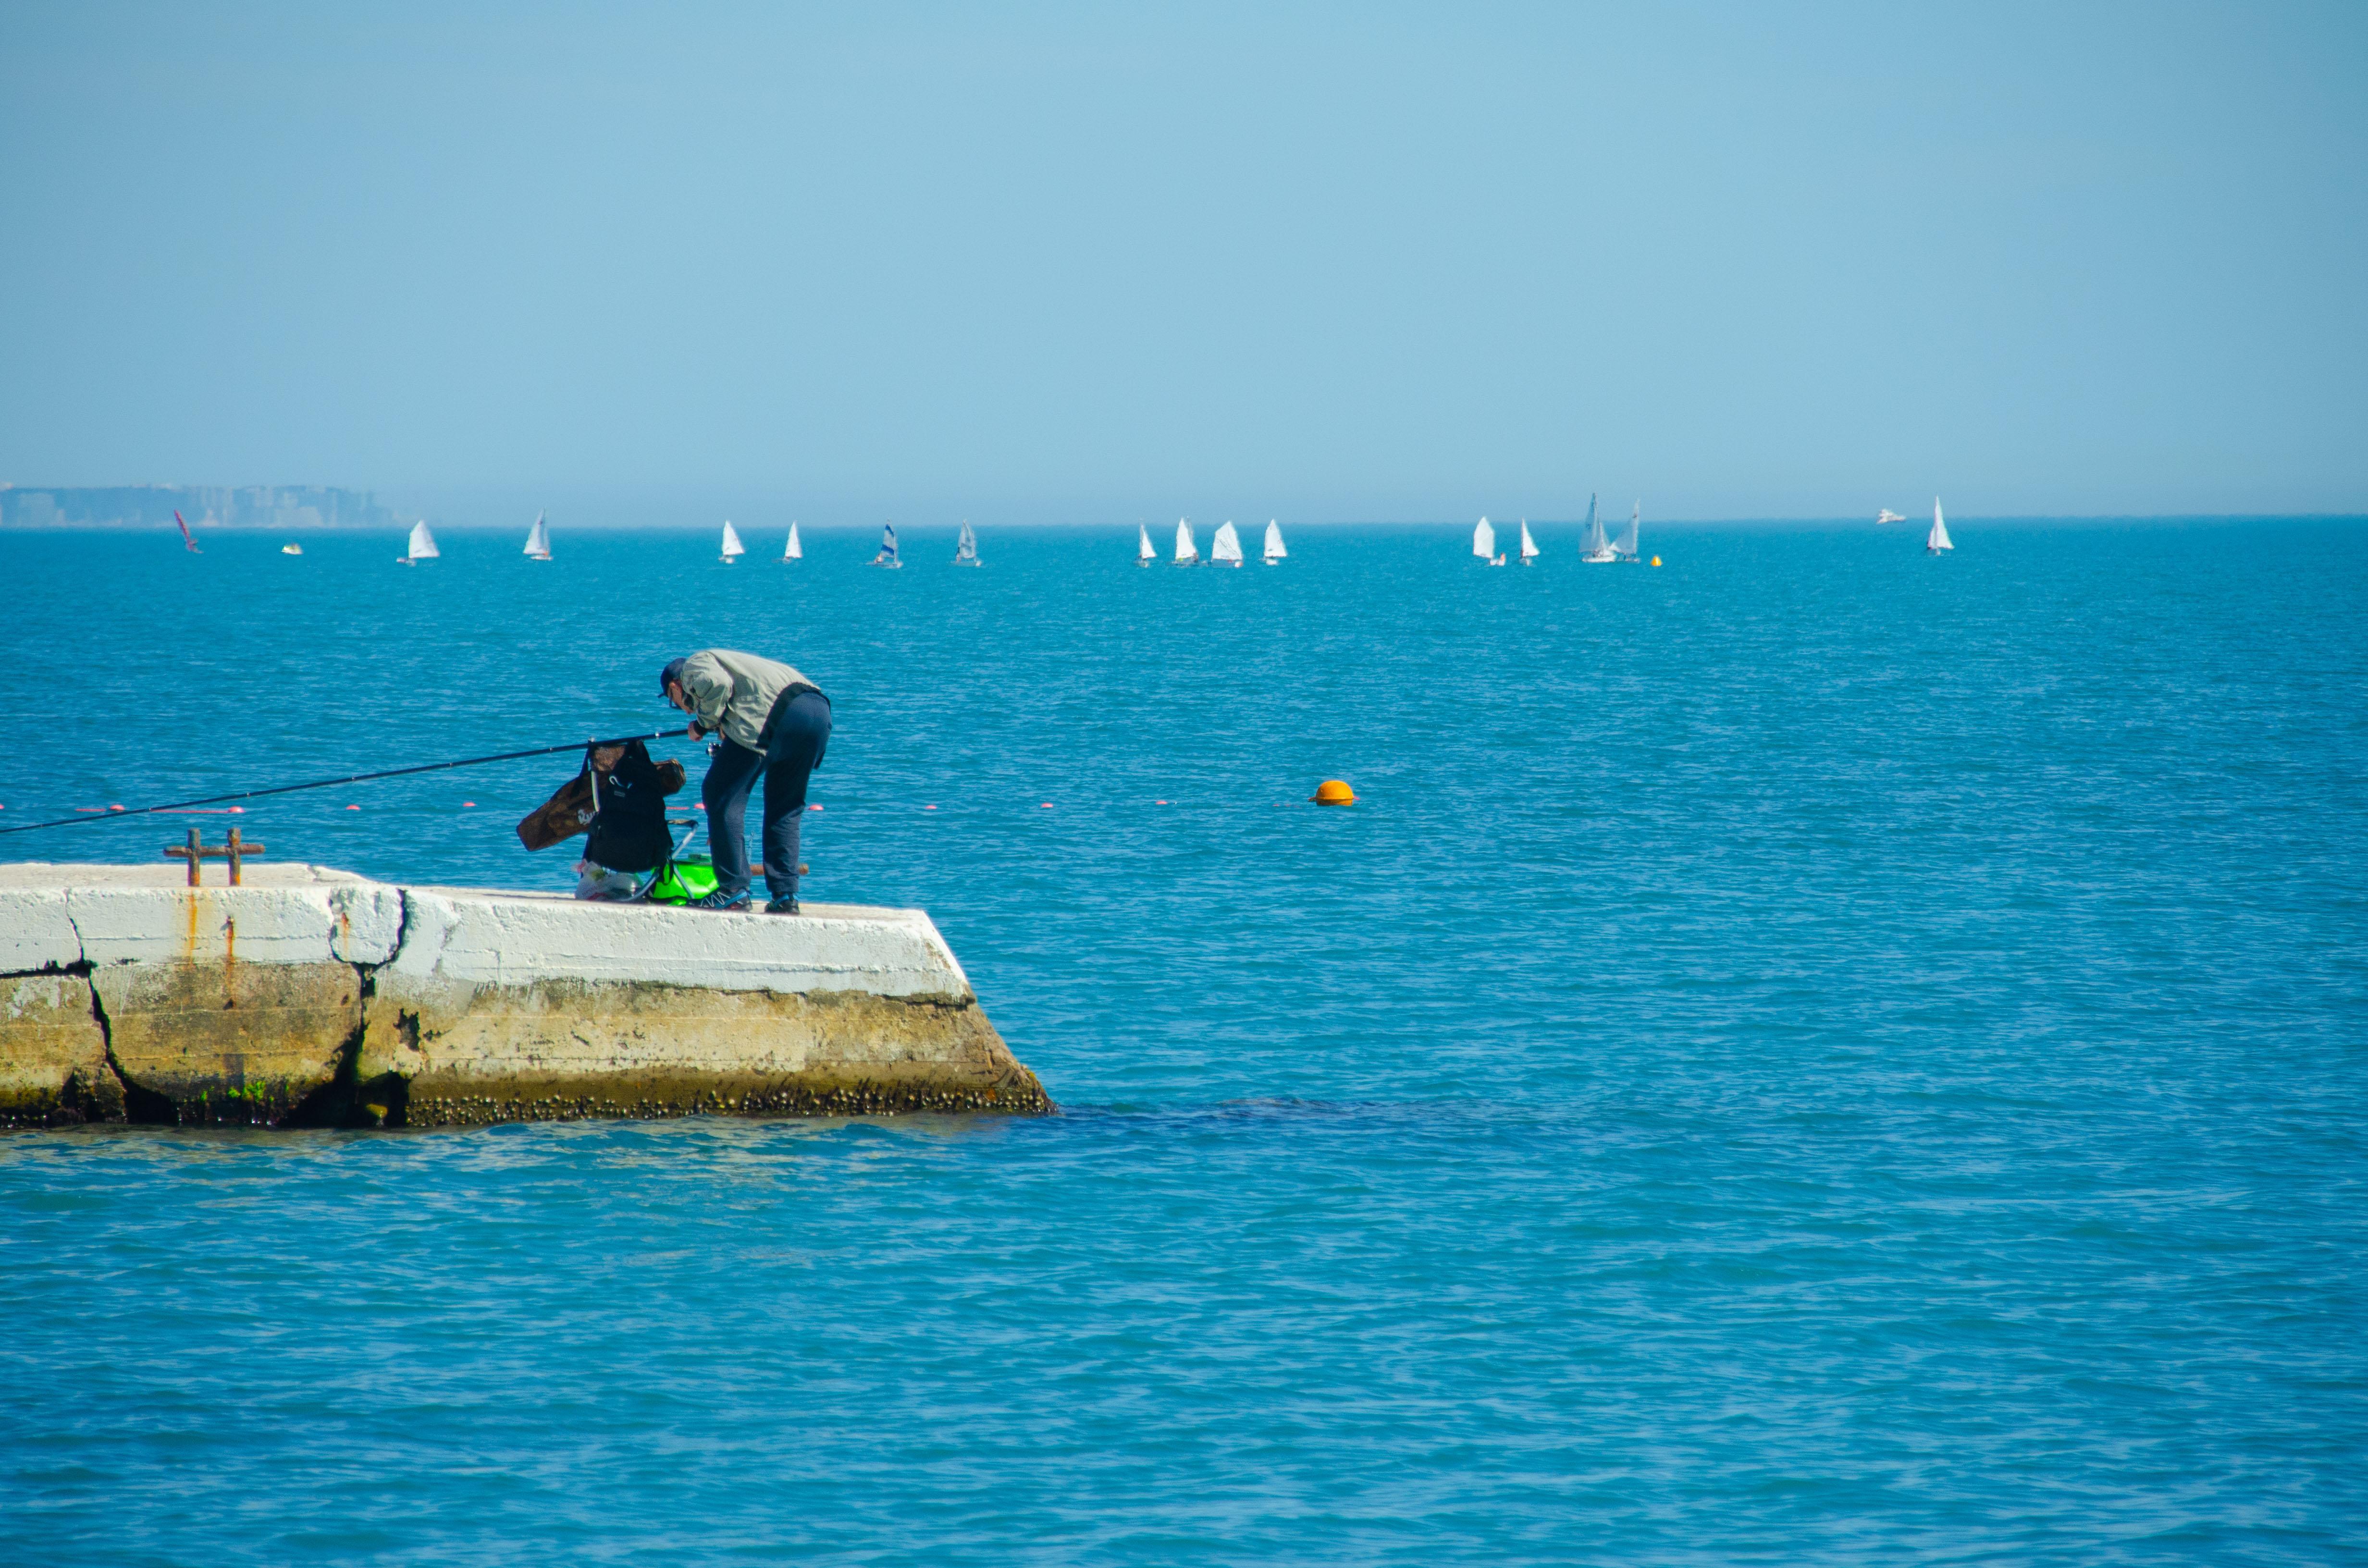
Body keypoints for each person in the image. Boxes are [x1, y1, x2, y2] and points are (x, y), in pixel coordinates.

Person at [661, 649, 831, 913]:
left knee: (720, 793)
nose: (684, 712)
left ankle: (733, 890)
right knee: (784, 807)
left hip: (775, 714)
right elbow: (742, 697)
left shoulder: (694, 665)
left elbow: (718, 684)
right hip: (817, 712)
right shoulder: (740, 667)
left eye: (675, 701)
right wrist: (722, 726)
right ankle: (785, 898)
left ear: (676, 686)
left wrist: (703, 724)